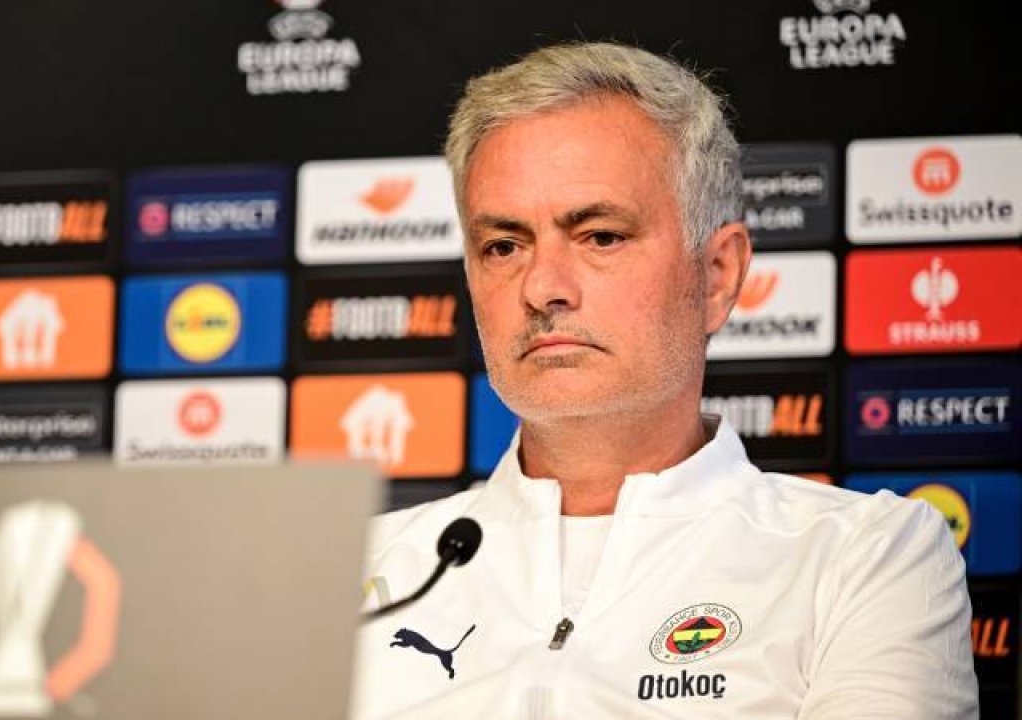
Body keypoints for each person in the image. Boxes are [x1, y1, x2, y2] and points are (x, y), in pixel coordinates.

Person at [352, 42, 977, 719]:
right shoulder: (350, 570)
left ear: (718, 275)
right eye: (503, 246)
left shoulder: (865, 555)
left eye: (600, 236)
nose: (542, 288)